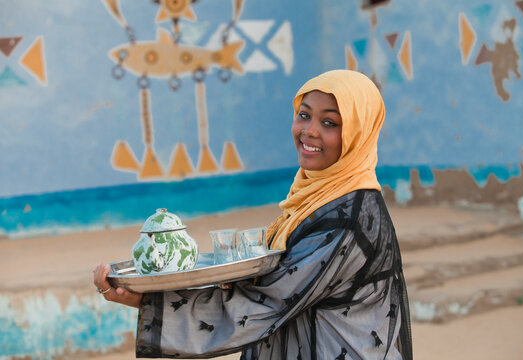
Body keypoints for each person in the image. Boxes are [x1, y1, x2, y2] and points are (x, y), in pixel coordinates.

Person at [94, 69, 413, 359]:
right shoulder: (317, 198)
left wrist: (147, 302)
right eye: (304, 115)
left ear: (360, 133)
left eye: (329, 122)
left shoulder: (348, 219)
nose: (309, 131)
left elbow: (269, 302)